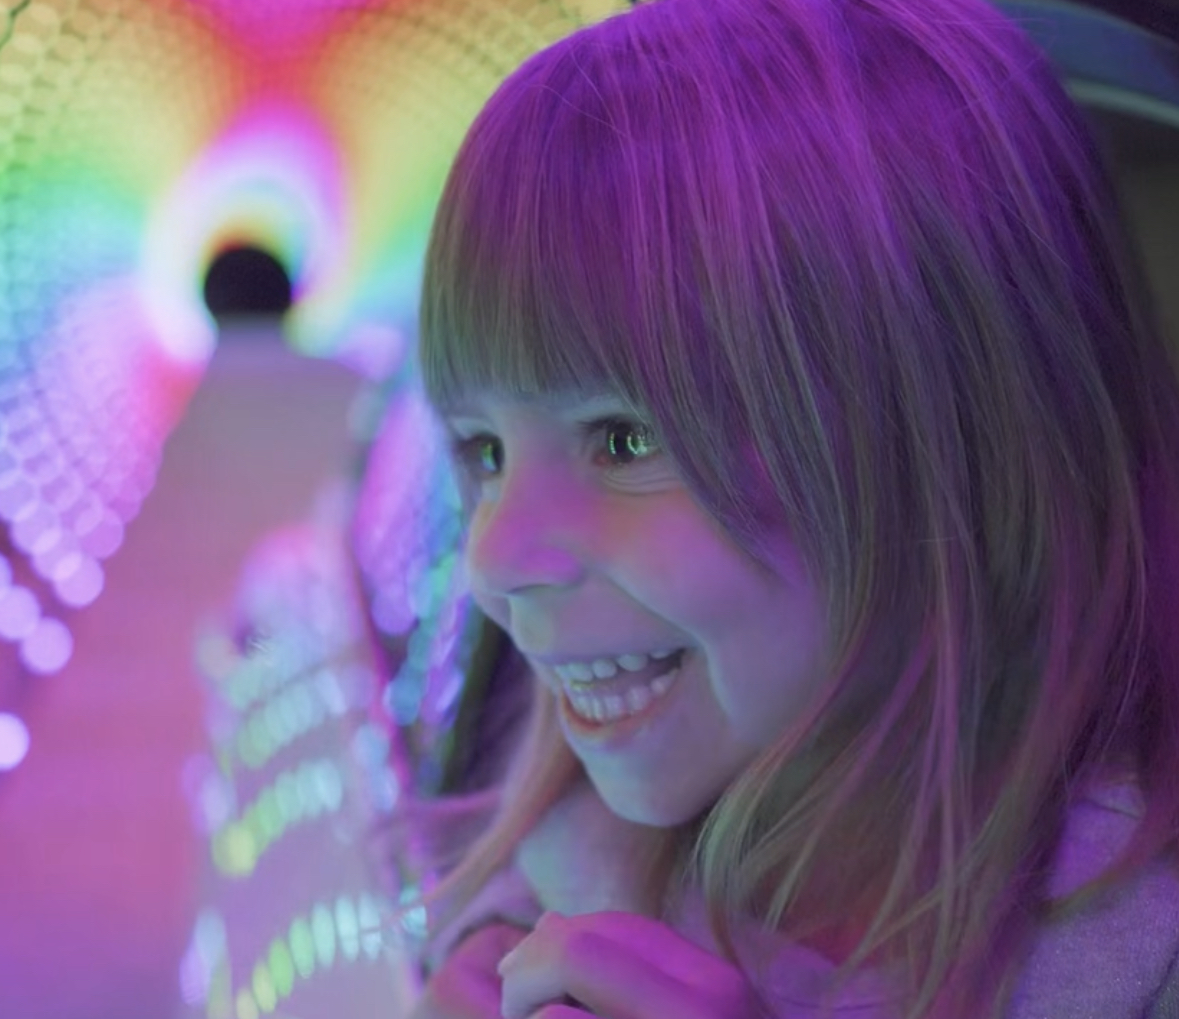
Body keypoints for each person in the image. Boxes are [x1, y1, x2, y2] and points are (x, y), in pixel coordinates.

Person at [397, 0, 1179, 1014]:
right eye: (485, 451)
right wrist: (487, 945)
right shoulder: (593, 820)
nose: (495, 558)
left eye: (627, 437)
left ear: (946, 438)